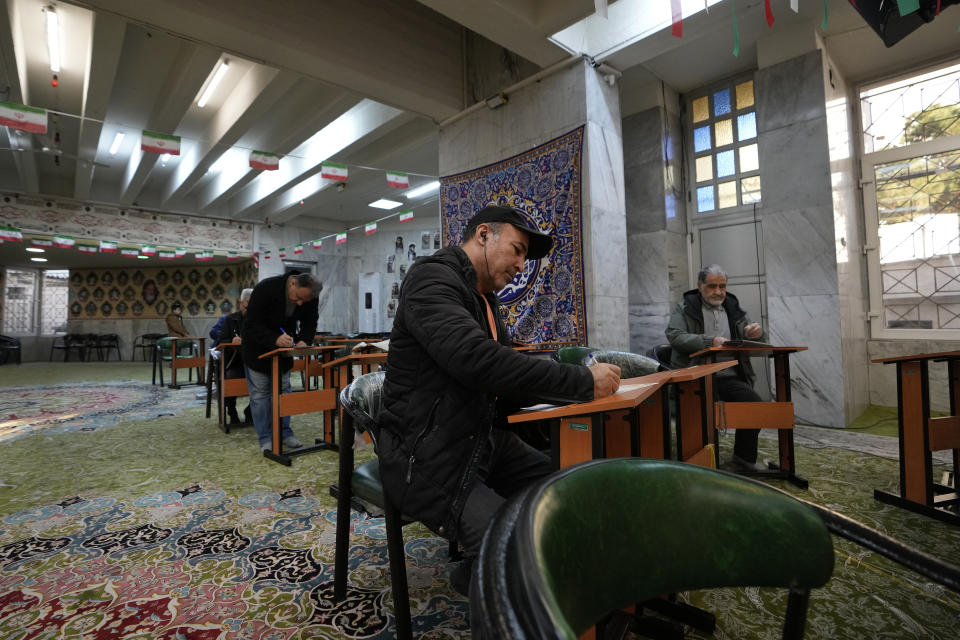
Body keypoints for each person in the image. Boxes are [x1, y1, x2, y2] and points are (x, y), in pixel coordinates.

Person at [379, 205, 621, 595]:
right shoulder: (430, 279)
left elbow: (502, 376)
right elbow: (475, 360)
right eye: (518, 249)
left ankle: (477, 575)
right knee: (508, 547)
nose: (522, 265)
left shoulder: (485, 300)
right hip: (425, 456)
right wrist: (579, 382)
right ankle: (490, 578)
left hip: (480, 440)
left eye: (525, 255)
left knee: (574, 490)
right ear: (483, 235)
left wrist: (551, 392)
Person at [665, 263, 767, 472]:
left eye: (722, 286)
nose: (718, 292)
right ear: (700, 285)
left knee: (754, 405)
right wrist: (709, 340)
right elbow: (675, 336)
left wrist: (756, 333)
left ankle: (743, 458)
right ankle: (700, 462)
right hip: (697, 375)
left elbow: (754, 338)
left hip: (730, 375)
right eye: (712, 286)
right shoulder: (686, 307)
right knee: (703, 412)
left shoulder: (733, 307)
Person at [242, 272, 321, 452]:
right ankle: (266, 438)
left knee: (284, 390)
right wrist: (274, 338)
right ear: (292, 283)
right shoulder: (265, 288)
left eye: (305, 300)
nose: (300, 303)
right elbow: (252, 324)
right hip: (257, 349)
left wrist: (304, 340)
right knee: (260, 395)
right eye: (298, 298)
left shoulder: (310, 296)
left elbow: (310, 320)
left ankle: (285, 433)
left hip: (283, 352)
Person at [210, 289, 253, 424]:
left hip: (253, 363)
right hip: (233, 362)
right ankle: (232, 412)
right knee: (228, 380)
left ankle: (250, 411)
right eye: (247, 305)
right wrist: (232, 341)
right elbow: (222, 340)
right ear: (241, 303)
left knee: (268, 381)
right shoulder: (230, 319)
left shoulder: (258, 320)